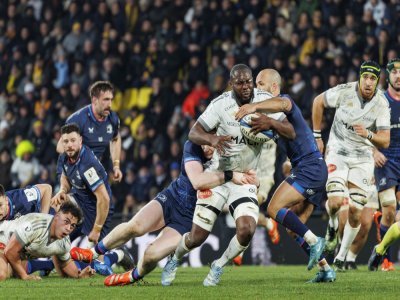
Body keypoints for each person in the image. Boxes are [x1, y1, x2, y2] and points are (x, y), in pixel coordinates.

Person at [161, 64, 294, 287]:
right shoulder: (220, 104)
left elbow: (290, 131)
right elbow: (194, 132)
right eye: (240, 83)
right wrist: (212, 140)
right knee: (197, 237)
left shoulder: (262, 101)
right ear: (232, 84)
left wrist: (270, 122)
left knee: (246, 229)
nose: (246, 87)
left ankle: (219, 266)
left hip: (245, 178)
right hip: (219, 176)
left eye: (249, 81)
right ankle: (174, 259)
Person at [69, 140, 258, 286]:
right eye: (205, 142)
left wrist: (250, 180)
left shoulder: (230, 156)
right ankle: (92, 253)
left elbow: (249, 181)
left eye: (212, 143)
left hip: (187, 219)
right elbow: (197, 181)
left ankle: (131, 276)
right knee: (135, 226)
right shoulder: (192, 146)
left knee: (151, 255)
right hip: (171, 198)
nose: (208, 148)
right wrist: (231, 176)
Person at [234, 68, 334, 282]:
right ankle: (326, 270)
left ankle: (316, 242)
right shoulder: (272, 117)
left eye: (260, 83)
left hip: (310, 168)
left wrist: (253, 106)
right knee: (294, 227)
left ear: (274, 87)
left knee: (273, 208)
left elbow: (287, 118)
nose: (255, 87)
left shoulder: (284, 101)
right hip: (310, 168)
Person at [312, 60, 390, 271]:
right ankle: (331, 226)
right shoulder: (344, 91)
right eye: (365, 77)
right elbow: (318, 102)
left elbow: (385, 140)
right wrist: (317, 136)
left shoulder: (382, 103)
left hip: (363, 158)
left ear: (377, 82)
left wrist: (369, 134)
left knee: (356, 211)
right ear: (359, 77)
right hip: (337, 152)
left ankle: (341, 257)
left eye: (373, 78)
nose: (368, 82)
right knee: (336, 203)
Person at [0, 201, 94, 281]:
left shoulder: (64, 242)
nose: (69, 228)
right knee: (2, 274)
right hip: (3, 239)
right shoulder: (36, 224)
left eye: (73, 225)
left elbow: (66, 264)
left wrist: (80, 275)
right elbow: (10, 251)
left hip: (17, 253)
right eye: (66, 221)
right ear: (56, 217)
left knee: (14, 272)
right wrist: (25, 276)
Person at [52, 123, 113, 244]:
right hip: (80, 200)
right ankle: (56, 247)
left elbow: (104, 199)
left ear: (80, 140)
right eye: (66, 141)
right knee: (55, 203)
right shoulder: (64, 157)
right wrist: (62, 190)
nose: (69, 145)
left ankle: (119, 255)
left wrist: (97, 229)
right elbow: (65, 177)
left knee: (95, 256)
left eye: (73, 140)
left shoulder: (87, 165)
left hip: (96, 208)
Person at [367, 58, 400, 271]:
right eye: (395, 72)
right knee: (389, 209)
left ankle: (380, 251)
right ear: (387, 76)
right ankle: (385, 260)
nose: (399, 76)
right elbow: (361, 130)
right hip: (386, 159)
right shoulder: (379, 101)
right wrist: (373, 151)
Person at [56, 81, 122, 183]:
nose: (109, 104)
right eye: (105, 100)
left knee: (104, 198)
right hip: (74, 172)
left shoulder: (113, 118)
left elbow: (115, 139)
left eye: (111, 100)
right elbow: (60, 146)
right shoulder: (78, 119)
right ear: (95, 100)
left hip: (98, 171)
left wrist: (116, 165)